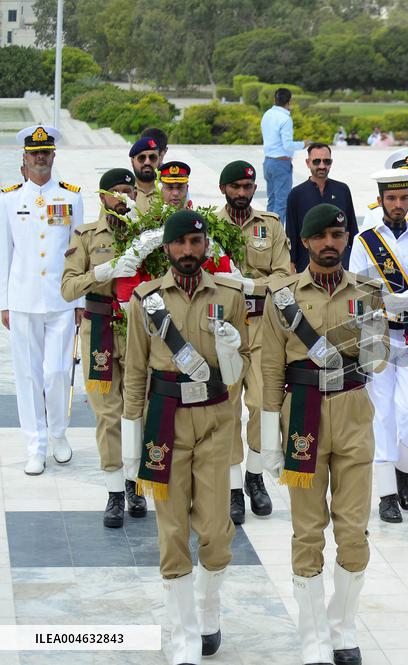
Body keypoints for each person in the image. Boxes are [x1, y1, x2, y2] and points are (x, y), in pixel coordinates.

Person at [259, 203, 387, 665]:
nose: (330, 243)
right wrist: (268, 440)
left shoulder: (368, 292)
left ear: (346, 239)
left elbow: (376, 359)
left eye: (338, 235)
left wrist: (377, 326)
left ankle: (342, 626)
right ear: (306, 243)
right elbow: (270, 368)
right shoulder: (284, 297)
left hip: (353, 412)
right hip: (303, 414)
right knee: (307, 531)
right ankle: (312, 634)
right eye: (322, 237)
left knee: (353, 531)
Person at [122, 209, 249, 665]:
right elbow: (135, 369)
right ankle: (183, 634)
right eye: (180, 244)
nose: (189, 252)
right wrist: (129, 438)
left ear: (205, 247)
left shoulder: (229, 295)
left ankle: (209, 611)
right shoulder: (147, 299)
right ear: (168, 249)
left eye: (196, 243)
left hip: (216, 418)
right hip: (165, 422)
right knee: (172, 530)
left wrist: (235, 352)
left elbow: (246, 366)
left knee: (216, 528)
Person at [348, 169, 408, 524]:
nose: (399, 205)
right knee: (383, 414)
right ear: (381, 199)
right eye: (392, 199)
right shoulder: (365, 241)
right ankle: (387, 493)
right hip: (379, 336)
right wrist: (393, 304)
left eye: (404, 198)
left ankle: (404, 469)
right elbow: (358, 291)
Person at [60, 168, 147, 526]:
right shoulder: (85, 235)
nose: (124, 198)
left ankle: (133, 484)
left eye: (129, 192)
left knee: (137, 409)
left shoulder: (146, 234)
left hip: (137, 329)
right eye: (117, 192)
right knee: (108, 414)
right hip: (100, 331)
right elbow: (67, 289)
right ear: (102, 197)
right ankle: (114, 491)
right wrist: (103, 271)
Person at [0, 125, 84, 475]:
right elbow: (4, 252)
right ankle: (35, 444)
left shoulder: (71, 197)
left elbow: (79, 253)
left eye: (45, 152)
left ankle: (58, 434)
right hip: (22, 299)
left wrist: (80, 300)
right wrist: (3, 301)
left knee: (57, 371)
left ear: (53, 156)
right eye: (34, 153)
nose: (39, 157)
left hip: (61, 301)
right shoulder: (8, 198)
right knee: (29, 376)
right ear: (24, 157)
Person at [213, 160, 292, 524]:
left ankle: (254, 475)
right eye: (235, 187)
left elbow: (282, 275)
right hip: (224, 329)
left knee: (262, 405)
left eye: (248, 188)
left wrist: (249, 285)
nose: (242, 194)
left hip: (262, 326)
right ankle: (231, 489)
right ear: (223, 189)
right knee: (227, 408)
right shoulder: (210, 226)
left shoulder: (270, 226)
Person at [287, 143, 359, 272]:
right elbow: (291, 234)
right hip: (307, 266)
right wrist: (291, 264)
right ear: (308, 163)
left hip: (341, 266)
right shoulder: (296, 194)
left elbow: (352, 230)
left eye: (326, 161)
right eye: (316, 161)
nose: (322, 166)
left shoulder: (342, 190)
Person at [261, 87, 308, 225]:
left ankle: (268, 232)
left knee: (272, 200)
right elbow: (287, 145)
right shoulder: (285, 119)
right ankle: (277, 236)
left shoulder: (267, 114)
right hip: (281, 163)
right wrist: (303, 144)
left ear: (275, 99)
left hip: (268, 161)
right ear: (289, 101)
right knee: (282, 202)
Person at [130, 136, 162, 214]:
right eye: (141, 158)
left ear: (159, 160)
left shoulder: (167, 191)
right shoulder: (124, 191)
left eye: (152, 157)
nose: (147, 162)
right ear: (132, 161)